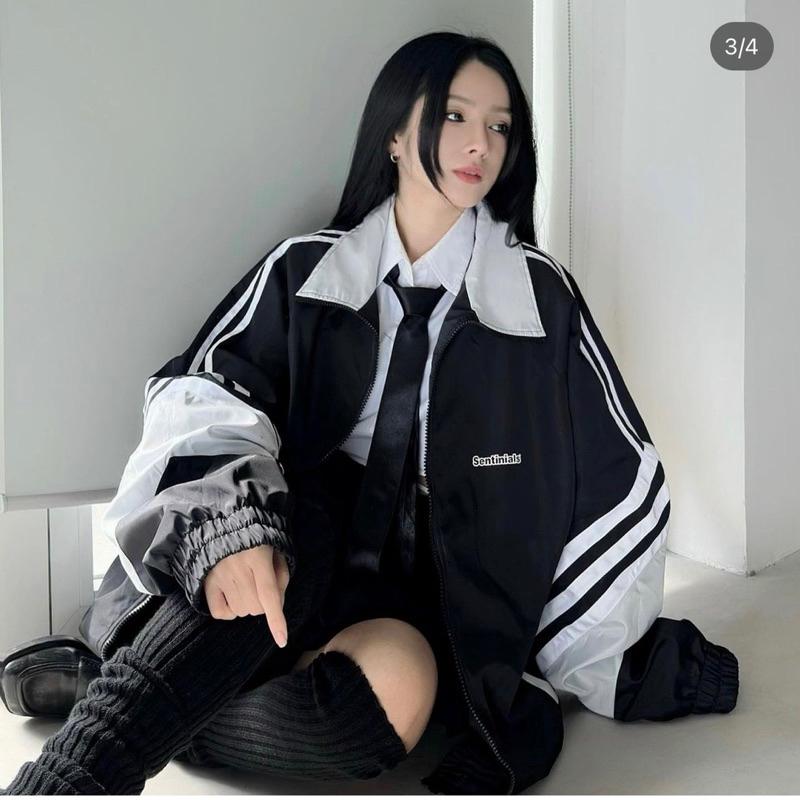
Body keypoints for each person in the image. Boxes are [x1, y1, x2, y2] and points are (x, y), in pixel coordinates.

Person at [0, 31, 739, 796]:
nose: (480, 143)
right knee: (291, 523)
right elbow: (204, 397)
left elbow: (613, 473)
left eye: (500, 125)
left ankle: (120, 688)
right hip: (295, 554)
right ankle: (73, 777)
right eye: (454, 115)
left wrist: (623, 659)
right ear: (393, 133)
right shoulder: (305, 269)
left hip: (427, 589)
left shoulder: (541, 299)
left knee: (393, 700)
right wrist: (230, 528)